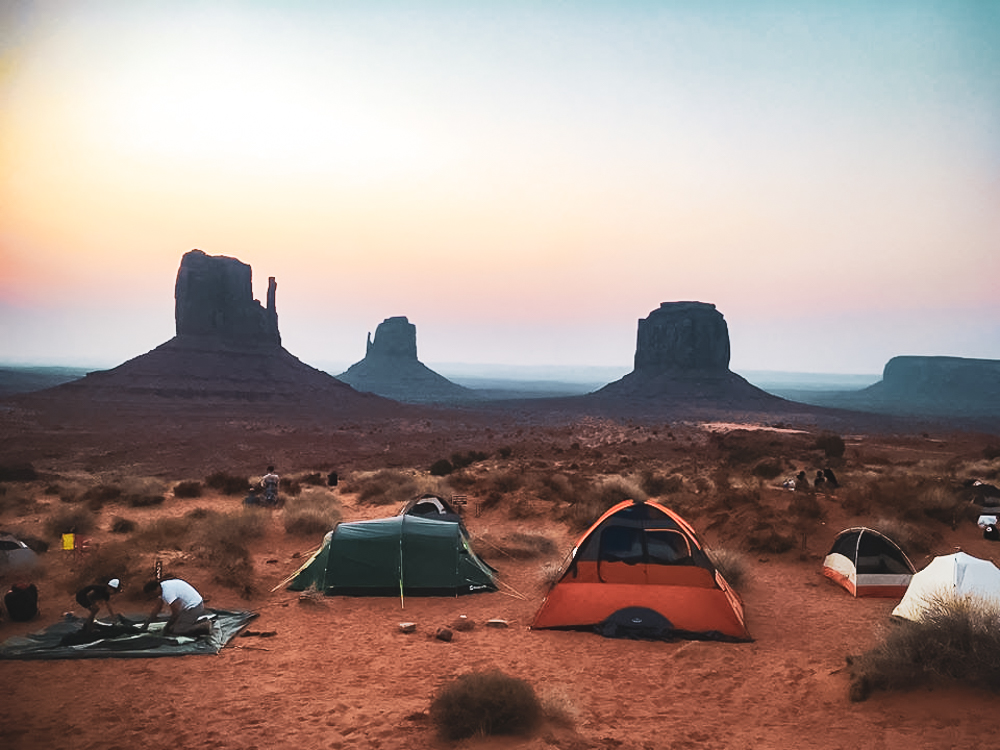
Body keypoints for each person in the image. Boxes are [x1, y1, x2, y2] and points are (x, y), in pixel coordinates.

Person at [141, 578, 211, 636]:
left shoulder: (167, 592)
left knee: (178, 630)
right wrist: (146, 624)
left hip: (195, 607)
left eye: (152, 594)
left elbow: (176, 613)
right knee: (172, 628)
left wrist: (166, 628)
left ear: (156, 589)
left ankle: (204, 626)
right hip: (189, 608)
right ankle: (199, 622)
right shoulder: (162, 588)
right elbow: (157, 608)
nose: (152, 597)